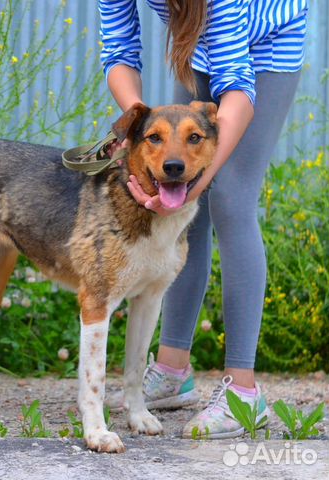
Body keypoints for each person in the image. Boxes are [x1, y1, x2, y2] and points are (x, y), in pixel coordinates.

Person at [99, 0, 308, 438]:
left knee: (228, 198)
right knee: (180, 207)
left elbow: (238, 87)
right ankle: (173, 370)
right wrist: (144, 131)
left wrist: (192, 180)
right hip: (199, 42)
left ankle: (243, 393)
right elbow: (119, 50)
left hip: (267, 44)